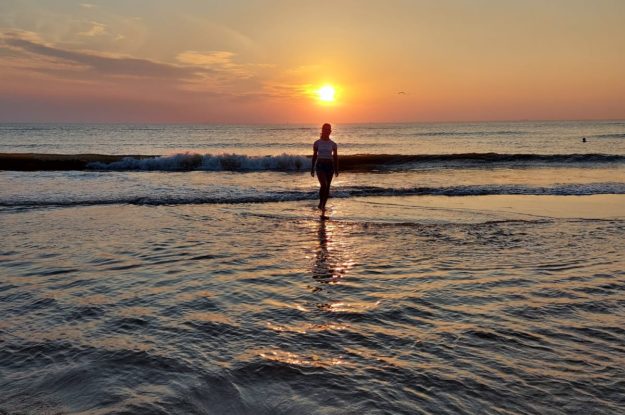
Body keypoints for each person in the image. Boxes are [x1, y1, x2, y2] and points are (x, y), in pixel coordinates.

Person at [311, 123, 339, 212]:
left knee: (327, 187)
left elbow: (335, 157)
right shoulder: (317, 143)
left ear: (330, 131)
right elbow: (314, 156)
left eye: (328, 129)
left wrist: (336, 168)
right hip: (320, 165)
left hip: (329, 166)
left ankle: (323, 205)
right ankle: (320, 203)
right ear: (322, 130)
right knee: (324, 185)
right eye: (325, 129)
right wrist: (312, 168)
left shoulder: (333, 144)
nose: (327, 131)